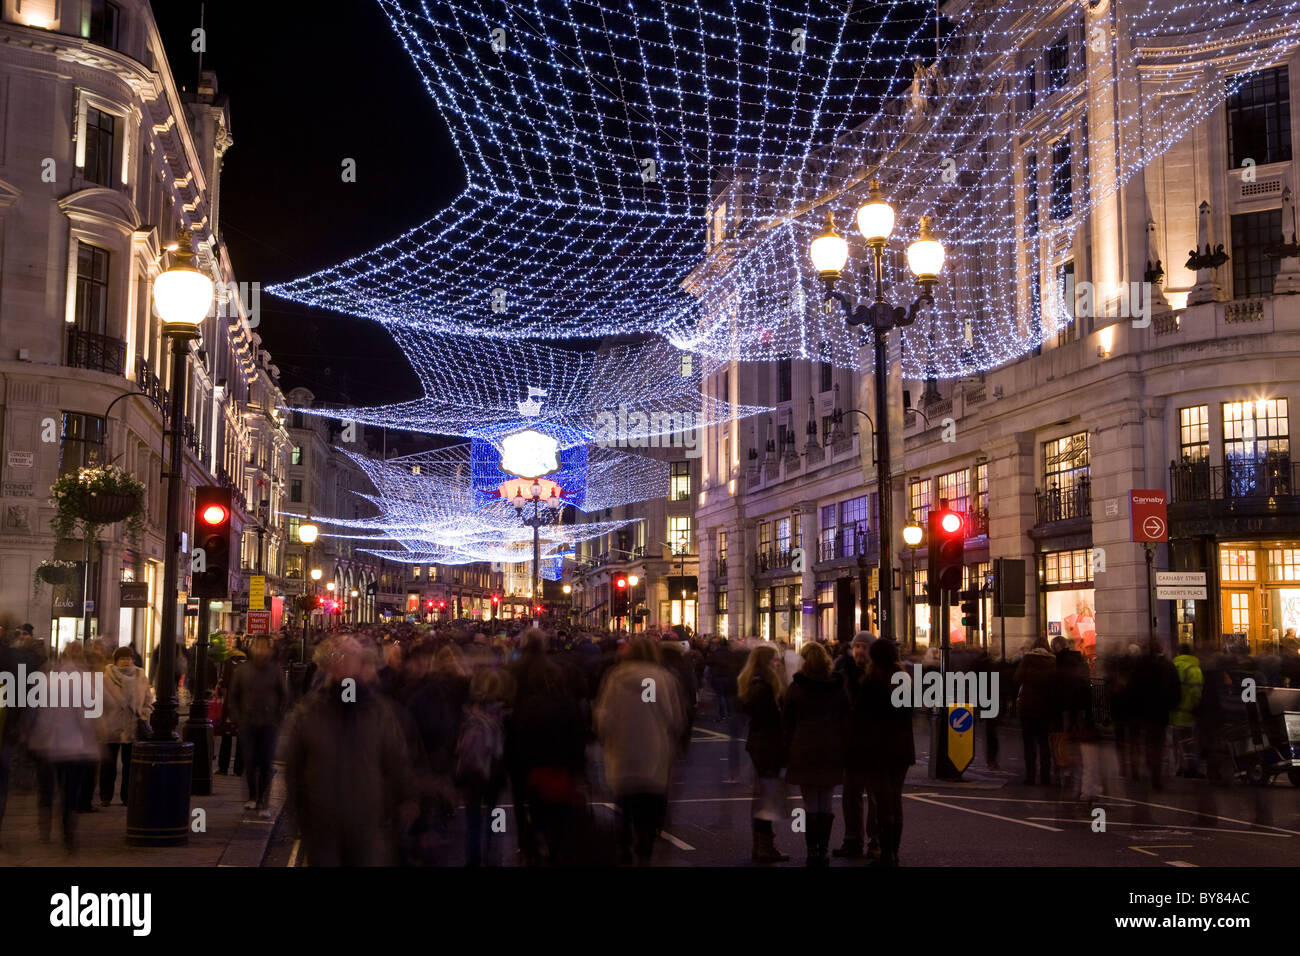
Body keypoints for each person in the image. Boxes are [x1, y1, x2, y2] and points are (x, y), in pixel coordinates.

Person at [283, 636, 416, 865]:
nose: (346, 664)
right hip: (323, 828)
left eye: (352, 658)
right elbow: (294, 770)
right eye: (340, 658)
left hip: (367, 827)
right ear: (329, 666)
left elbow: (397, 763)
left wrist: (404, 803)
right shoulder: (309, 713)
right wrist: (300, 817)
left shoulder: (377, 713)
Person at [594, 637, 686, 865]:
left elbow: (605, 717)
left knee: (624, 804)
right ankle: (644, 848)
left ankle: (624, 846)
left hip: (623, 750)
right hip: (653, 751)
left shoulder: (616, 677)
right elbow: (673, 717)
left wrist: (607, 736)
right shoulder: (662, 678)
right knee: (648, 807)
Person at [27, 645, 100, 852]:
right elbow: (87, 716)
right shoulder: (82, 681)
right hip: (76, 746)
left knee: (56, 785)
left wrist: (40, 739)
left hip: (53, 745)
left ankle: (48, 826)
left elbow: (42, 715)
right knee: (71, 790)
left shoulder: (48, 681)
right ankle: (68, 830)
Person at [782, 641, 847, 866]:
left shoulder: (797, 687)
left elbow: (787, 722)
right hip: (831, 748)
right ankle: (823, 849)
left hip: (805, 748)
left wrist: (787, 749)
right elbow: (846, 718)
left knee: (810, 803)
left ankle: (812, 850)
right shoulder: (838, 686)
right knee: (826, 802)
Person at [860, 639, 914, 867]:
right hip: (900, 748)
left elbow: (862, 719)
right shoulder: (904, 682)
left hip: (877, 749)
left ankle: (886, 852)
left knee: (882, 801)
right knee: (895, 797)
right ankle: (894, 851)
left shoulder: (870, 684)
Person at [226, 636, 289, 817]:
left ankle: (263, 802)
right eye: (258, 647)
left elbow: (284, 696)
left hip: (269, 723)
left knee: (266, 762)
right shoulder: (243, 670)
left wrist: (277, 717)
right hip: (247, 722)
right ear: (252, 649)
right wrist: (238, 718)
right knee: (250, 761)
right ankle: (252, 796)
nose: (261, 651)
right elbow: (234, 696)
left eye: (264, 647)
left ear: (269, 650)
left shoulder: (275, 670)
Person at [737, 643, 788, 863]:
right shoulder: (764, 687)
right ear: (767, 663)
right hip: (767, 746)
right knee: (766, 797)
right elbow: (771, 720)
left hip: (761, 745)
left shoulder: (757, 684)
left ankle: (762, 844)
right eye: (775, 660)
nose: (778, 663)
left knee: (764, 796)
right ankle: (765, 846)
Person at [833, 631, 878, 860]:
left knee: (875, 797)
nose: (860, 650)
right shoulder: (842, 675)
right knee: (851, 796)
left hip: (874, 745)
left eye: (864, 647)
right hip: (851, 744)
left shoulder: (881, 676)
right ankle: (852, 840)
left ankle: (875, 842)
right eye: (857, 646)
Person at [98, 646, 153, 806]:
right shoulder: (106, 677)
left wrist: (144, 713)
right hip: (110, 725)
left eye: (129, 658)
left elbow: (149, 699)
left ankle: (127, 796)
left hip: (132, 726)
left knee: (130, 764)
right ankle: (105, 796)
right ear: (116, 661)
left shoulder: (140, 675)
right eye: (122, 658)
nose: (126, 661)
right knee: (108, 764)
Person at [1014, 637, 1058, 786]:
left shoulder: (1028, 659)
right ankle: (1045, 776)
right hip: (1046, 707)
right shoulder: (1053, 661)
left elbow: (1017, 678)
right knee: (1044, 743)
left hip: (1028, 706)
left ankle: (1031, 776)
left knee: (1029, 744)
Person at [1171, 643, 1204, 777]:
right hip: (1188, 713)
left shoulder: (1172, 666)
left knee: (1177, 742)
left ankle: (1180, 766)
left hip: (1174, 713)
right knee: (1190, 742)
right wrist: (1194, 706)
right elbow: (1197, 691)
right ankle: (1191, 768)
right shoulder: (1193, 668)